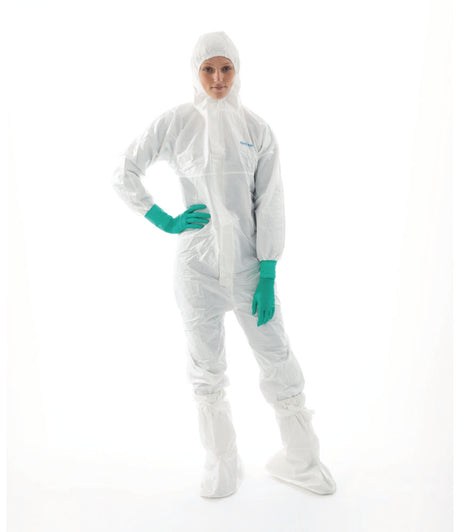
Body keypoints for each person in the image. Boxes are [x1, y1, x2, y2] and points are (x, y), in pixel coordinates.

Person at [112, 31, 336, 498]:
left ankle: (301, 460)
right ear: (196, 73)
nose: (218, 78)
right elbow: (125, 170)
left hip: (250, 269)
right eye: (208, 69)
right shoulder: (177, 122)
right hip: (196, 272)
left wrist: (268, 270)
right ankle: (222, 462)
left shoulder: (257, 130)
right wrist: (164, 218)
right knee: (206, 370)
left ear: (238, 71)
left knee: (277, 359)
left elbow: (270, 202)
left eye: (226, 68)